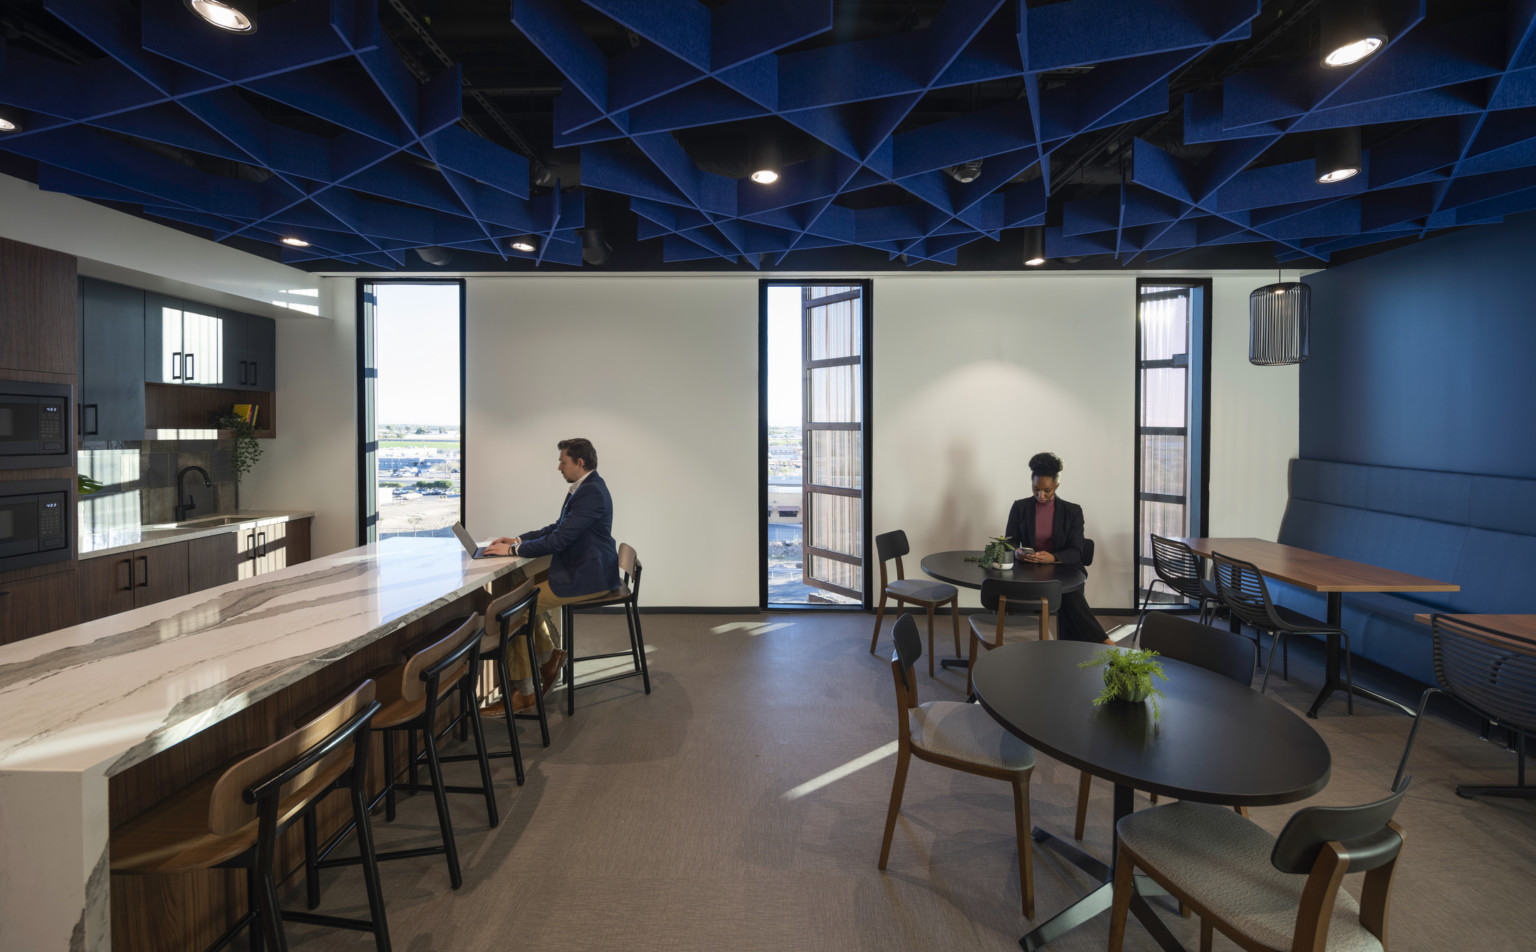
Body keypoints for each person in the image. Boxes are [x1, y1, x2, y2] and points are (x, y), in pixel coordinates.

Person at [485, 438, 620, 710]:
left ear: (579, 463)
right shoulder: (585, 487)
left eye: (563, 461)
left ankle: (524, 691)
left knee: (516, 611)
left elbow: (559, 541)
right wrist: (518, 540)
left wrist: (512, 551)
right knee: (519, 589)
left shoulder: (591, 492)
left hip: (588, 575)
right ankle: (548, 658)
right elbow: (557, 528)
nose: (559, 466)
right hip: (582, 566)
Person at [1003, 452, 1111, 644]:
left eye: (1047, 490)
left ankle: (1101, 645)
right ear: (1031, 483)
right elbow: (1009, 543)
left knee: (1067, 593)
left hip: (1064, 570)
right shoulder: (1020, 508)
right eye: (1036, 489)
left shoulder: (1072, 511)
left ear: (1056, 486)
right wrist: (1017, 552)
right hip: (1029, 571)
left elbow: (1077, 550)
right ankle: (1103, 645)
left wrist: (1052, 557)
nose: (1040, 495)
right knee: (1070, 597)